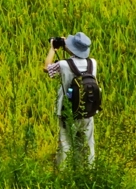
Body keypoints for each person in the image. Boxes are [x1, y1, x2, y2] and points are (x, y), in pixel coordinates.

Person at [43, 32, 100, 167]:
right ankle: (89, 170)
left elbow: (47, 68)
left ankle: (63, 173)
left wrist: (53, 49)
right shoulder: (93, 63)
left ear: (72, 48)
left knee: (66, 143)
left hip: (68, 111)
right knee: (87, 143)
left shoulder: (64, 64)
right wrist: (69, 47)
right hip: (88, 110)